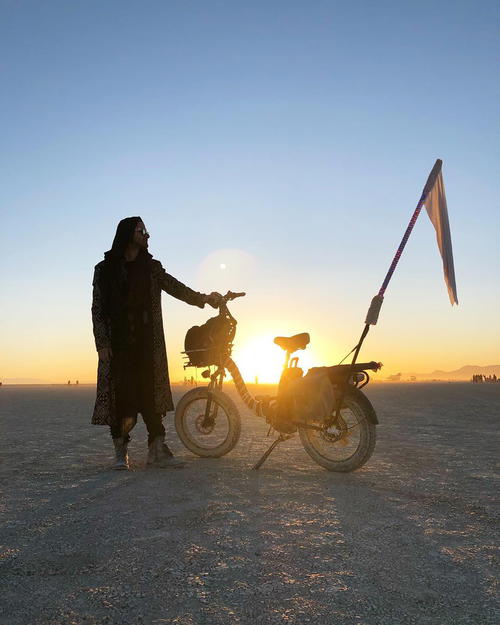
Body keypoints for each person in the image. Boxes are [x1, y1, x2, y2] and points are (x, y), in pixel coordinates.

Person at [91, 217, 221, 470]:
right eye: (143, 231)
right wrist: (102, 343)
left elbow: (176, 288)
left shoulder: (151, 267)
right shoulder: (104, 269)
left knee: (150, 396)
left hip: (147, 344)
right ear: (129, 233)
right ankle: (121, 453)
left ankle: (157, 451)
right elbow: (98, 309)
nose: (148, 235)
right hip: (118, 345)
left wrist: (204, 298)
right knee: (123, 397)